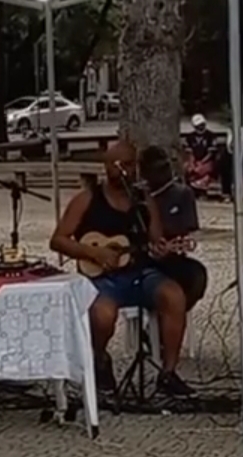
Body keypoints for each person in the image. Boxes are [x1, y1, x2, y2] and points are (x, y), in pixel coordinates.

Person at [49, 140, 195, 397]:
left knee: (174, 296)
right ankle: (100, 359)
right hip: (101, 278)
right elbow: (58, 240)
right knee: (103, 314)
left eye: (129, 164)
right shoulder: (87, 199)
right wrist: (93, 252)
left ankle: (168, 373)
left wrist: (163, 248)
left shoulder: (143, 200)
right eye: (118, 165)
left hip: (139, 272)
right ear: (106, 167)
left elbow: (155, 239)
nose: (124, 170)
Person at [139, 146, 208, 310]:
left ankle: (173, 318)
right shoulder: (136, 195)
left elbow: (186, 232)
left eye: (165, 168)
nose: (164, 173)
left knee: (197, 276)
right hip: (137, 260)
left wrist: (167, 244)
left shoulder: (182, 193)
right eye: (157, 170)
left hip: (169, 257)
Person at [183, 114, 217, 192]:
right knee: (187, 168)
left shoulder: (211, 136)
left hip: (207, 161)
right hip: (194, 160)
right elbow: (189, 152)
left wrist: (201, 162)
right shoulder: (190, 137)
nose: (201, 127)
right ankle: (191, 186)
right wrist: (192, 163)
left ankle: (202, 183)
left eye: (202, 125)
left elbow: (211, 153)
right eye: (198, 126)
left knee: (202, 169)